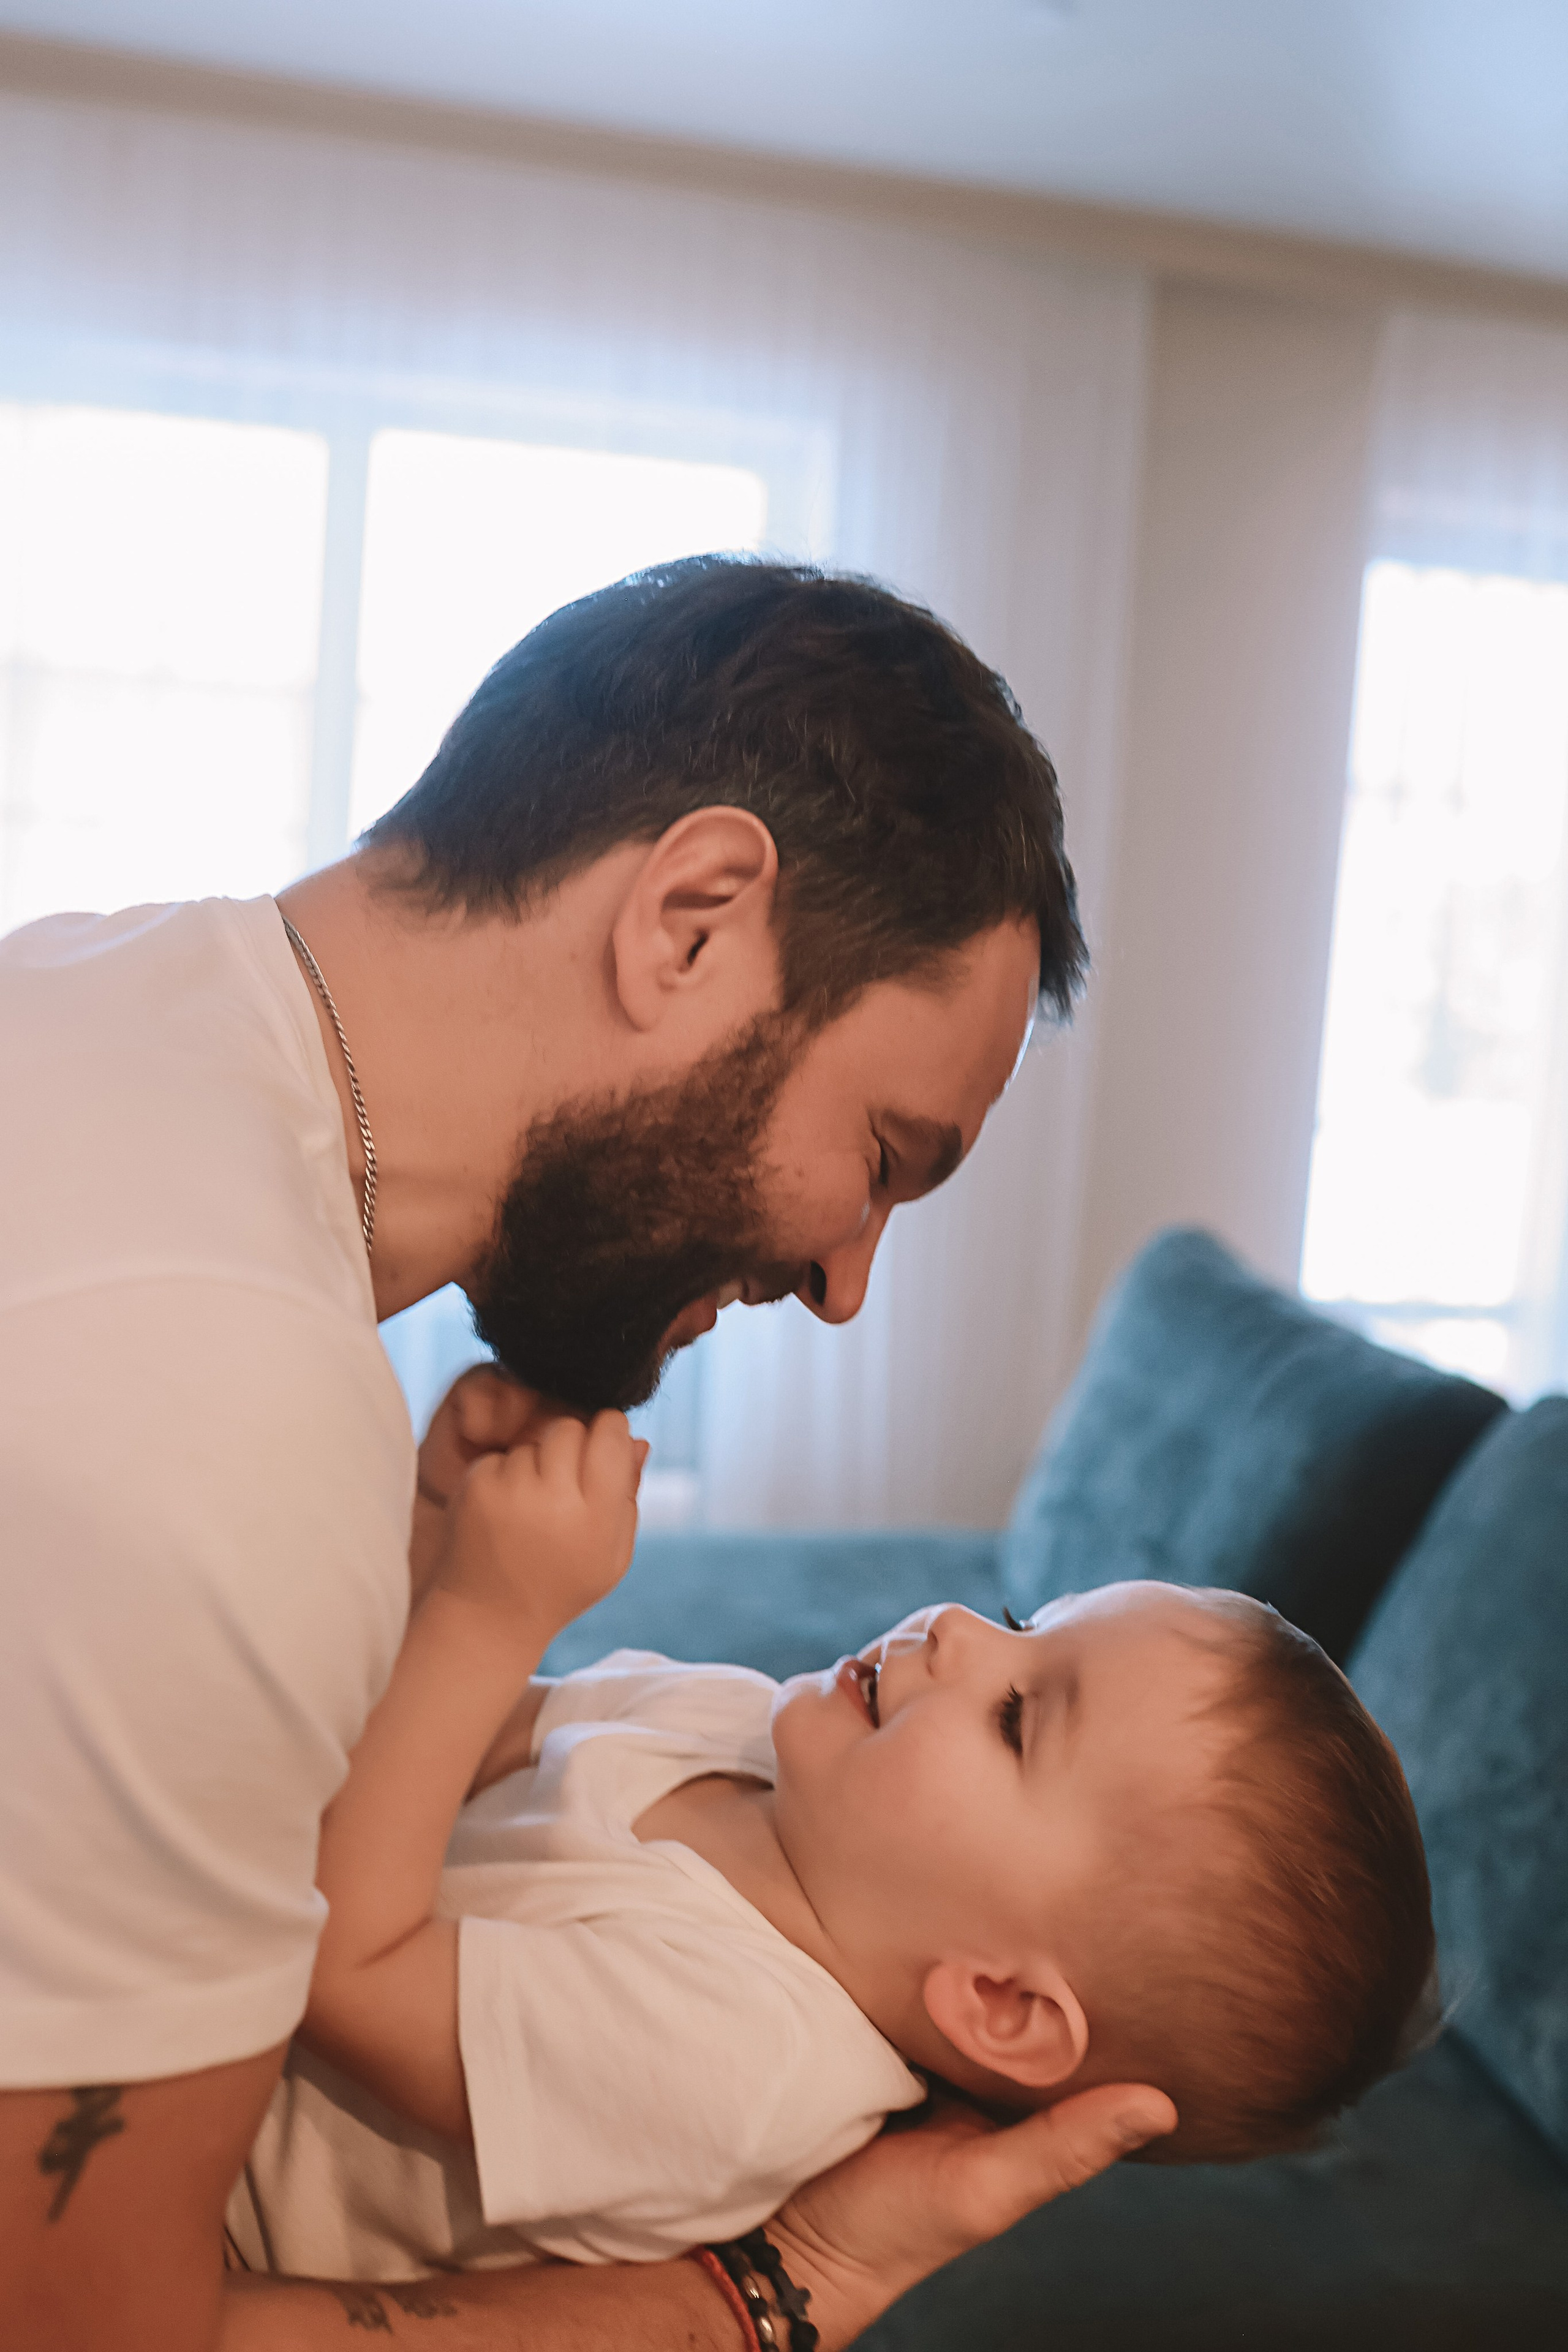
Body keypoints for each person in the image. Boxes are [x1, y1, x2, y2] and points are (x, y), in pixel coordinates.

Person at [0, 557, 1175, 2352]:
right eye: (885, 1154)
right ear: (692, 915)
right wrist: (778, 2293)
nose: (849, 1286)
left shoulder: (95, 983)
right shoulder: (221, 1418)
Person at [224, 1380, 1435, 2285]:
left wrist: (492, 1610)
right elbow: (418, 1749)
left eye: (1017, 1717)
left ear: (999, 2004)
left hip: (190, 2199)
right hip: (201, 1959)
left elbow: (343, 1969)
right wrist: (443, 1540)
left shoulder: (739, 2071)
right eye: (1023, 1619)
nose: (960, 1628)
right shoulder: (749, 1730)